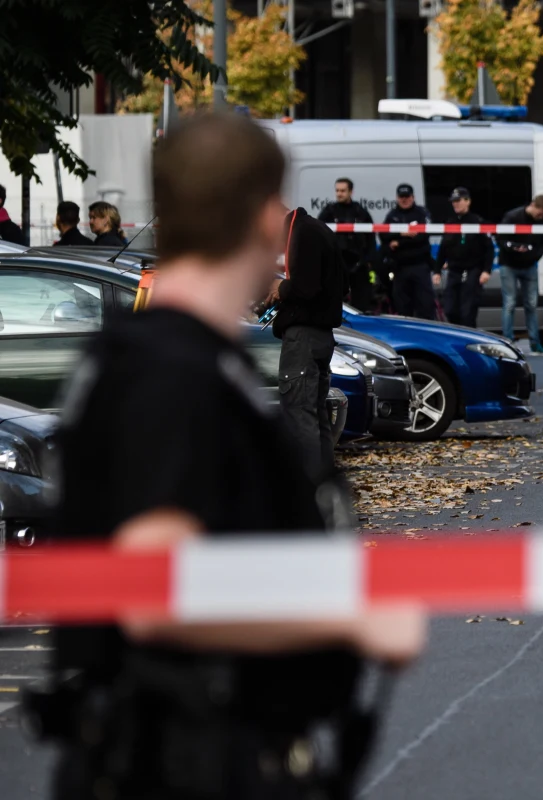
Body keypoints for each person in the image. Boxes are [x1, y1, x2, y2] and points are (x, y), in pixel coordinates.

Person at [44, 112, 425, 800]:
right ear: (264, 218)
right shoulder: (172, 372)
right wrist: (348, 617)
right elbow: (154, 591)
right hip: (183, 762)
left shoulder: (156, 358)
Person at [267, 203, 344, 484]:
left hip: (304, 338)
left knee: (300, 415)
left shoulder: (304, 233)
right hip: (321, 336)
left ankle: (308, 488)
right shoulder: (318, 229)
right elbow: (336, 285)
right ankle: (323, 486)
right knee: (315, 416)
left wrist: (281, 288)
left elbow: (307, 287)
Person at [496, 194, 543, 354]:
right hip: (509, 264)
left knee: (532, 305)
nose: (541, 217)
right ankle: (508, 342)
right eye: (539, 214)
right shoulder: (512, 217)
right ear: (533, 205)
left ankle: (535, 343)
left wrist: (534, 255)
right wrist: (513, 248)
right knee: (510, 303)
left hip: (529, 265)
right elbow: (500, 238)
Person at [379, 183, 438, 319]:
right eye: (402, 197)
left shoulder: (421, 213)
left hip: (420, 266)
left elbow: (421, 237)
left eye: (407, 196)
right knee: (403, 309)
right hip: (400, 268)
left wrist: (399, 242)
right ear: (397, 198)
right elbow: (383, 235)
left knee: (425, 307)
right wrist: (402, 233)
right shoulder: (392, 215)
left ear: (413, 197)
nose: (404, 200)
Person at [317, 178, 375, 311]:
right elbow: (319, 233)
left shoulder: (360, 212)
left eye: (343, 191)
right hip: (336, 262)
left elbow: (371, 237)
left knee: (361, 301)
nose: (339, 194)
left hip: (357, 263)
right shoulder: (329, 211)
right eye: (337, 190)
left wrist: (368, 260)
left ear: (350, 192)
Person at [439, 187, 493, 327]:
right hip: (454, 271)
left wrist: (486, 270)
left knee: (468, 312)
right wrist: (436, 270)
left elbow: (489, 248)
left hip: (472, 271)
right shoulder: (450, 222)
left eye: (458, 201)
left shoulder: (478, 222)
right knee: (450, 310)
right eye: (453, 201)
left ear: (468, 201)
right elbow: (443, 248)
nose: (455, 204)